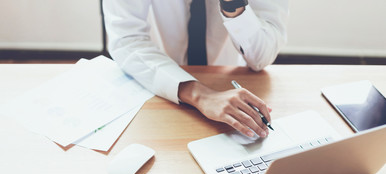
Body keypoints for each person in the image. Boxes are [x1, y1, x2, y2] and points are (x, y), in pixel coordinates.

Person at [102, 0, 288, 138]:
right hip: (159, 83)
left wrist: (233, 5)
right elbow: (126, 40)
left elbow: (262, 57)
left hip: (233, 84)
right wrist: (199, 94)